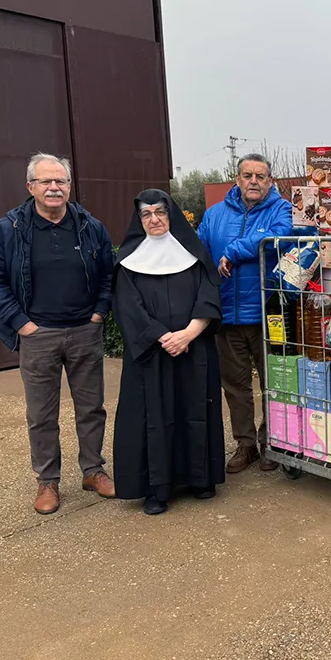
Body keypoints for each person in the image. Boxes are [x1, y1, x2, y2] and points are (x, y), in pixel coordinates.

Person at [0, 153, 116, 514]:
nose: (54, 188)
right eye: (46, 182)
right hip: (38, 336)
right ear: (30, 187)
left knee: (91, 408)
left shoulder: (90, 226)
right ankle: (47, 481)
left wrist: (100, 312)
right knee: (41, 414)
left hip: (85, 331)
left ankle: (93, 470)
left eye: (61, 181)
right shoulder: (9, 229)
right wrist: (21, 323)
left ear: (69, 186)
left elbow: (110, 275)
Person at [112, 190, 226, 515]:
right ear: (139, 219)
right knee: (154, 417)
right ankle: (157, 489)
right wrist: (164, 337)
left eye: (160, 212)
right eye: (146, 214)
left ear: (171, 214)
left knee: (195, 409)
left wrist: (189, 333)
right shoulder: (127, 263)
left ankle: (200, 478)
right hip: (152, 354)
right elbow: (127, 308)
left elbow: (209, 295)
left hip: (194, 350)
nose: (154, 220)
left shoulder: (194, 254)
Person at [198, 153, 293, 474]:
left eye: (260, 176)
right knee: (235, 386)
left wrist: (233, 252)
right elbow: (197, 254)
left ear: (270, 181)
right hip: (226, 316)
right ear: (236, 180)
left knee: (274, 383)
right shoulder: (214, 216)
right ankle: (246, 444)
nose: (254, 181)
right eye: (247, 175)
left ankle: (273, 442)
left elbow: (276, 238)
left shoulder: (281, 209)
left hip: (269, 315)